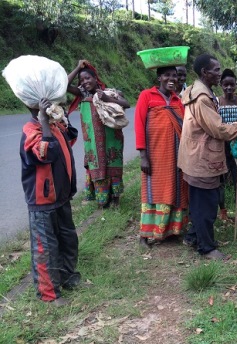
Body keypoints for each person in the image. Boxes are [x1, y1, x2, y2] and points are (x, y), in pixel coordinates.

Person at [178, 54, 237, 260]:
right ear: (205, 72)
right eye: (216, 70)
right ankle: (207, 248)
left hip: (196, 156)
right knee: (206, 205)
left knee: (200, 202)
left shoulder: (199, 91)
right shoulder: (202, 98)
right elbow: (218, 129)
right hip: (202, 159)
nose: (219, 74)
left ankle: (193, 237)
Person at [21, 98, 81, 305]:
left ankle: (67, 276)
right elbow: (46, 152)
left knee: (67, 239)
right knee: (45, 246)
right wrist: (44, 121)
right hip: (43, 199)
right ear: (33, 107)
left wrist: (59, 116)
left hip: (61, 197)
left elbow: (71, 137)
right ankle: (49, 293)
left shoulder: (55, 126)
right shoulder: (32, 130)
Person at [134, 66, 189, 248]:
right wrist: (143, 156)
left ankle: (171, 231)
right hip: (154, 156)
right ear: (159, 77)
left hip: (175, 156)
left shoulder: (177, 100)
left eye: (174, 76)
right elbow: (139, 125)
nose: (171, 79)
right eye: (167, 75)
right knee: (152, 192)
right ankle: (146, 235)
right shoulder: (147, 96)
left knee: (175, 190)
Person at [67, 60, 130, 208]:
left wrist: (107, 99)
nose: (85, 81)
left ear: (96, 78)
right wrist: (77, 68)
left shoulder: (109, 92)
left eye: (88, 78)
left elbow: (126, 103)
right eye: (81, 80)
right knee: (96, 165)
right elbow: (64, 85)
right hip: (93, 141)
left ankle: (115, 198)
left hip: (112, 138)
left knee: (113, 163)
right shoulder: (82, 94)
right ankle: (102, 199)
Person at [217, 68, 237, 225]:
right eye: (225, 85)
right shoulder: (216, 102)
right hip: (221, 148)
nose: (229, 88)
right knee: (220, 180)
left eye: (231, 85)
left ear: (236, 85)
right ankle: (222, 210)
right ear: (221, 85)